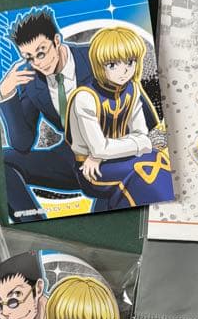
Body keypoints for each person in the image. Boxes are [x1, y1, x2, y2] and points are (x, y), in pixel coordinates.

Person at [0, 8, 93, 221]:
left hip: (114, 157)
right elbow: (22, 144)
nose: (38, 63)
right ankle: (33, 222)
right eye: (29, 58)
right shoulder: (32, 80)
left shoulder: (94, 57)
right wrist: (6, 94)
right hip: (70, 160)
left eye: (41, 53)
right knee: (3, 160)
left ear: (56, 41)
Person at [63, 26, 173, 211]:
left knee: (158, 161)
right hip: (89, 169)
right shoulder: (85, 97)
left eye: (130, 62)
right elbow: (101, 148)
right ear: (100, 65)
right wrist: (100, 154)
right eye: (113, 64)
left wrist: (101, 155)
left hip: (113, 159)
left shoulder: (132, 89)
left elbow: (141, 135)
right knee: (141, 170)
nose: (124, 71)